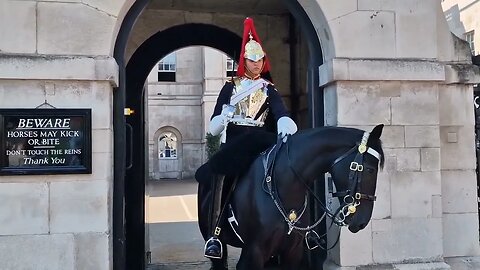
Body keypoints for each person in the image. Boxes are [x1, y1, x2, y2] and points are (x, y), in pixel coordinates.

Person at [203, 17, 298, 259]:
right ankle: (215, 233)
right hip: (235, 142)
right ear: (244, 61)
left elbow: (279, 111)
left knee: (288, 174)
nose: (257, 64)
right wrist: (223, 118)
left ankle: (296, 228)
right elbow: (213, 126)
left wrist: (284, 122)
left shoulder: (268, 88)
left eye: (260, 60)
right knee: (221, 178)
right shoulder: (230, 87)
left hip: (260, 142)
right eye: (252, 60)